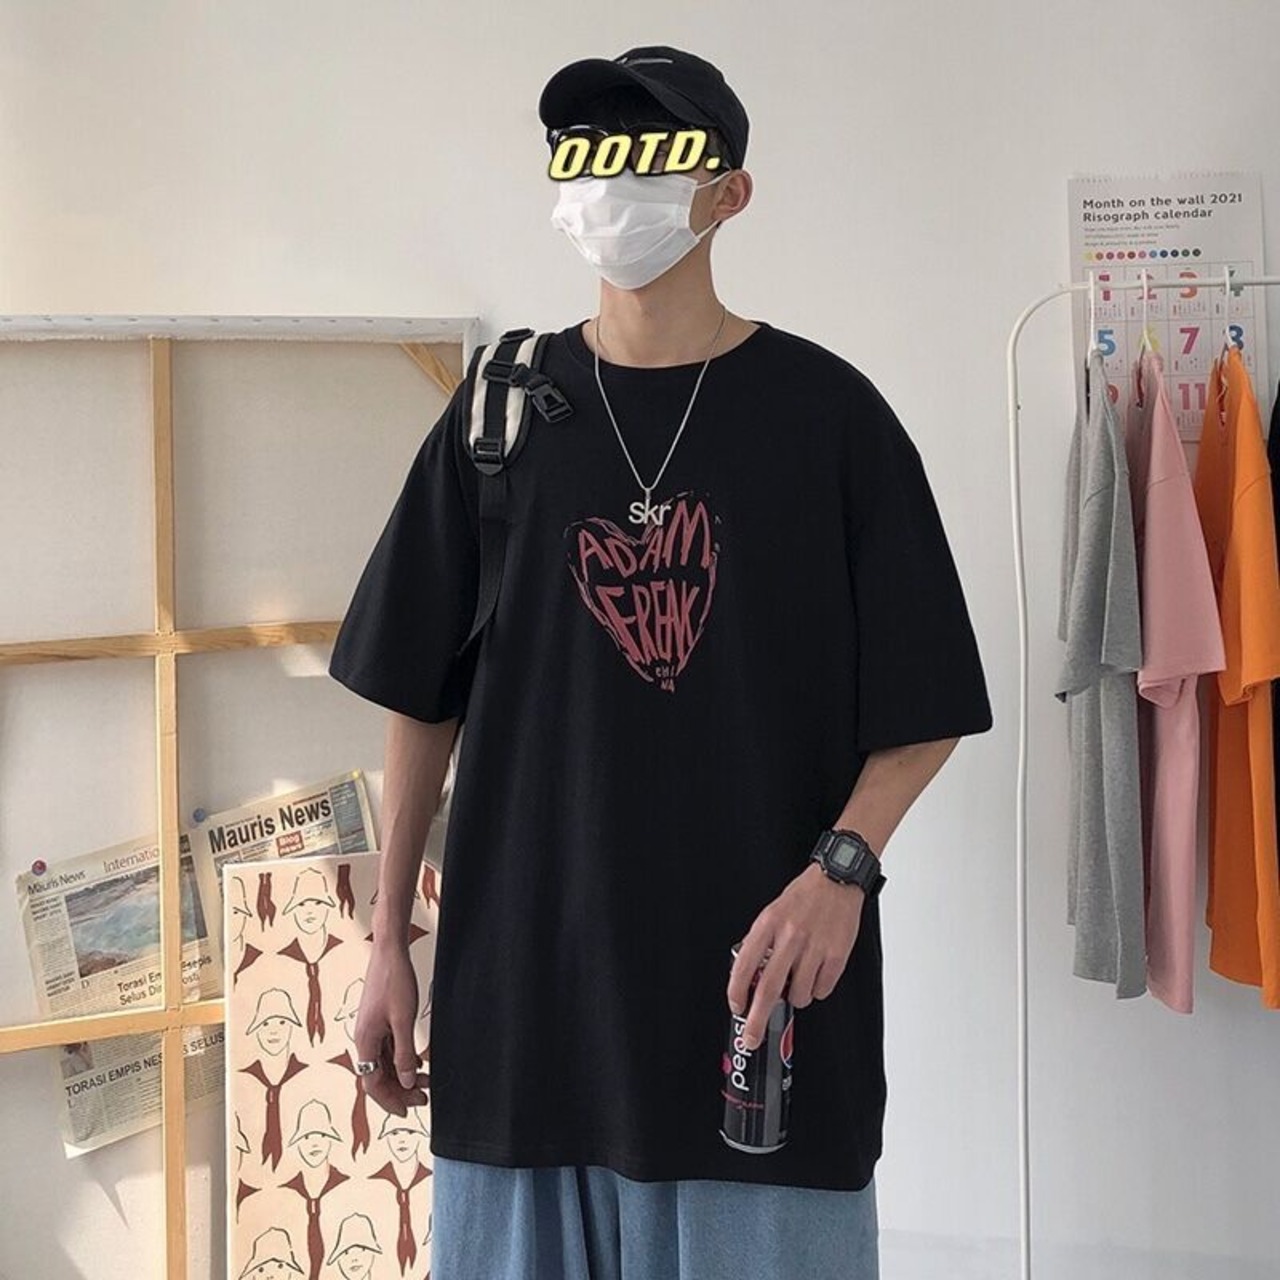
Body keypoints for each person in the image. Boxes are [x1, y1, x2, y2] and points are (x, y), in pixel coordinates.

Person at [328, 43, 993, 1280]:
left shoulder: (829, 418)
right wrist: (386, 943)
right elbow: (420, 691)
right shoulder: (497, 417)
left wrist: (841, 870)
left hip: (760, 1015)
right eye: (585, 151)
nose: (610, 179)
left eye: (651, 151)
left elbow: (926, 696)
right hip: (527, 1013)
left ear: (726, 191)